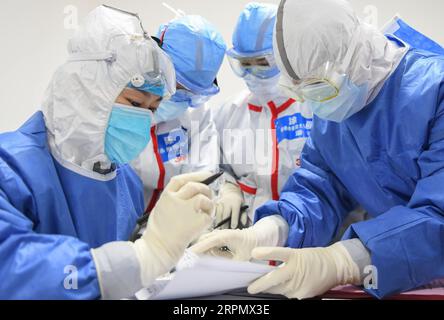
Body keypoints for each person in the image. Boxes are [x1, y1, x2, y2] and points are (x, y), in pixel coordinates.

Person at [192, 0, 444, 299]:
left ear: (355, 55)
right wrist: (269, 230)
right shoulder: (334, 113)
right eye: (297, 91)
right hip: (392, 277)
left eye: (316, 87)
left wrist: (342, 260)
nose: (311, 104)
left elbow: (437, 215)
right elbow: (318, 189)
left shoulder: (434, 90)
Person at [0, 5, 214, 299]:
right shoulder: (10, 170)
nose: (145, 120)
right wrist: (142, 257)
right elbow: (11, 267)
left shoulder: (123, 179)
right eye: (136, 104)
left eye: (153, 109)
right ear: (89, 89)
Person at [212, 2, 313, 230]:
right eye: (245, 64)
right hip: (247, 249)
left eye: (262, 63)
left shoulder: (316, 109)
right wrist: (227, 187)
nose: (253, 74)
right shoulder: (231, 112)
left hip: (311, 245)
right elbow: (214, 166)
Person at [132, 14, 226, 212]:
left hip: (174, 226)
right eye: (175, 85)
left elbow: (203, 174)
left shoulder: (197, 113)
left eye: (189, 93)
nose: (178, 97)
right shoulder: (123, 103)